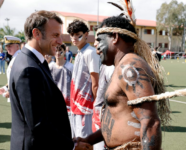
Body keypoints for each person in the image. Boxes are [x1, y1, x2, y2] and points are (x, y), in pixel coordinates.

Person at [74, 15, 170, 150]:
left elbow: (150, 122)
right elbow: (117, 119)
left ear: (115, 37)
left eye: (99, 40)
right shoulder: (121, 67)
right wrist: (88, 140)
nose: (95, 44)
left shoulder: (130, 67)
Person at [9, 10, 91, 150]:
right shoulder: (29, 69)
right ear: (37, 34)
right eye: (55, 35)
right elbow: (38, 125)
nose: (60, 41)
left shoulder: (33, 61)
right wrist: (71, 146)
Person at [67, 19, 100, 139]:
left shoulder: (91, 53)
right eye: (72, 35)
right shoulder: (80, 53)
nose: (74, 38)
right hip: (75, 107)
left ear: (86, 34)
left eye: (77, 34)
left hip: (86, 108)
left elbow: (95, 83)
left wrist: (97, 108)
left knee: (85, 142)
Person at [49, 43, 73, 130]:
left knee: (68, 129)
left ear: (64, 52)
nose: (58, 53)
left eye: (60, 51)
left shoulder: (70, 67)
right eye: (56, 50)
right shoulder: (50, 67)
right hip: (54, 102)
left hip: (68, 104)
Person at [0, 36, 21, 102]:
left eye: (10, 46)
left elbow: (19, 79)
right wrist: (5, 88)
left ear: (17, 46)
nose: (7, 48)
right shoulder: (15, 57)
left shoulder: (18, 58)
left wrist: (10, 91)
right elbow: (12, 79)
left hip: (18, 96)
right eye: (6, 46)